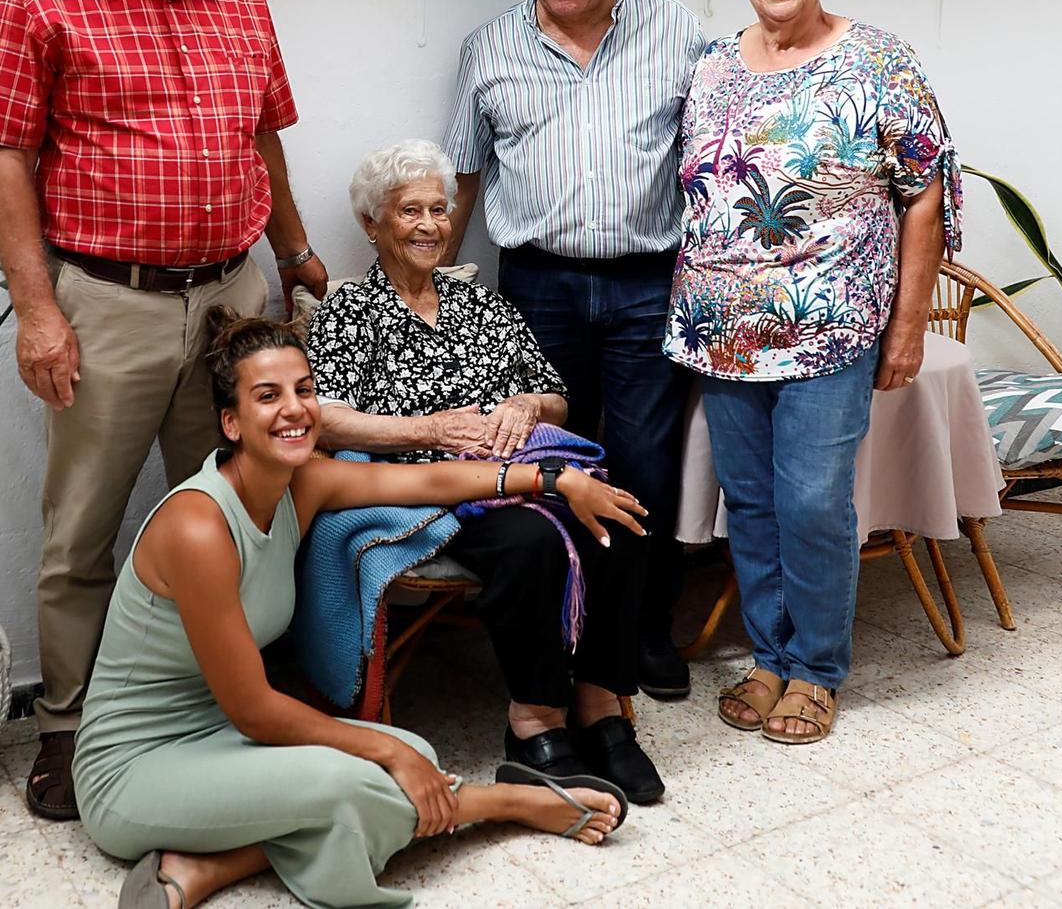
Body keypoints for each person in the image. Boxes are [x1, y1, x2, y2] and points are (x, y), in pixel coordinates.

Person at [0, 0, 330, 820]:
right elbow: (6, 164)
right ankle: (68, 730)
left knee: (238, 518)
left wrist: (296, 250)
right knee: (80, 534)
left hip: (233, 297)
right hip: (106, 304)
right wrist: (38, 312)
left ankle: (228, 704)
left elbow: (264, 137)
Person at [75, 309, 646, 908]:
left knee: (414, 757)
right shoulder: (197, 526)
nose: (294, 409)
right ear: (231, 422)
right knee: (376, 769)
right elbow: (254, 710)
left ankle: (207, 866)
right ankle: (503, 803)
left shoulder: (302, 484)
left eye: (305, 390)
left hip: (216, 734)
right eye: (267, 396)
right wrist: (388, 749)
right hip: (134, 764)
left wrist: (552, 480)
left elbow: (431, 485)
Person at [667, 0, 961, 744]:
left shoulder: (878, 60)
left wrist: (908, 324)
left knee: (811, 501)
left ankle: (817, 666)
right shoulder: (716, 67)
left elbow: (924, 192)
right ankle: (769, 653)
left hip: (829, 326)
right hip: (723, 330)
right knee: (750, 503)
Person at [306, 139, 664, 805]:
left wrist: (528, 404)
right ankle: (534, 722)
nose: (429, 224)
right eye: (409, 210)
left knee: (623, 515)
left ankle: (601, 706)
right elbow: (325, 418)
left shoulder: (481, 303)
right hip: (427, 489)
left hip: (522, 470)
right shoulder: (349, 311)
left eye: (439, 209)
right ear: (372, 223)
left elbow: (556, 394)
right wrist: (431, 429)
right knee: (526, 544)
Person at [440, 0, 707, 702]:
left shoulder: (681, 33)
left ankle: (640, 633)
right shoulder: (488, 48)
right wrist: (438, 293)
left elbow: (720, 161)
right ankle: (553, 634)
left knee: (642, 466)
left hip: (645, 285)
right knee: (540, 460)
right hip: (536, 289)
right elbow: (463, 176)